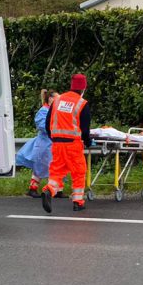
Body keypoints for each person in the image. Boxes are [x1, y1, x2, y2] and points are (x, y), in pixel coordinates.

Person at [43, 73, 91, 213]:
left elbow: (47, 123)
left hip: (57, 143)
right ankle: (78, 202)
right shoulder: (82, 104)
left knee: (57, 171)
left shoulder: (57, 101)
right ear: (83, 88)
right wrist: (88, 142)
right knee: (79, 171)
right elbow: (85, 129)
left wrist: (54, 138)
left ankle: (49, 190)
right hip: (73, 145)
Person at [16, 89, 58, 198]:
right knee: (41, 166)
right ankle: (33, 188)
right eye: (57, 98)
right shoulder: (44, 110)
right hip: (45, 143)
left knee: (55, 166)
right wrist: (55, 129)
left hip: (52, 142)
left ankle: (57, 190)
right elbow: (42, 125)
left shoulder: (54, 110)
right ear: (50, 99)